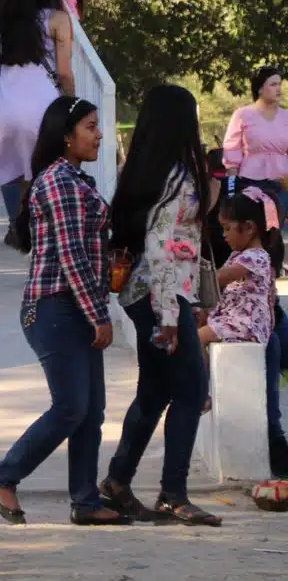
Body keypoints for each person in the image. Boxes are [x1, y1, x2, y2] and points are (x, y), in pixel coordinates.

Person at [0, 97, 125, 525]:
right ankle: (5, 476)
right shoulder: (59, 181)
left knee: (91, 409)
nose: (99, 133)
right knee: (70, 406)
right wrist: (98, 314)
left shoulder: (75, 179)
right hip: (55, 308)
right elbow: (71, 257)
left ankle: (84, 502)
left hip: (74, 306)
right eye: (90, 125)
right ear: (66, 136)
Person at [99, 85, 219, 525]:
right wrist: (171, 318)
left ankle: (117, 482)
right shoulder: (179, 177)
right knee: (190, 389)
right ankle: (173, 493)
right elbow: (164, 247)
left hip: (141, 294)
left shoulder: (144, 172)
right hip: (160, 298)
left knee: (154, 391)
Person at [0, 0, 75, 223]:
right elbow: (63, 72)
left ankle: (18, 223)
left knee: (11, 166)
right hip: (44, 105)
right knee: (46, 169)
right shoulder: (58, 19)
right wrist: (72, 103)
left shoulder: (4, 21)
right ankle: (45, 224)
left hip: (6, 105)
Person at [199, 184, 283, 347]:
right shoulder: (240, 255)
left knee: (195, 338)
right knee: (200, 333)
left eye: (227, 228)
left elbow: (222, 278)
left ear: (249, 228)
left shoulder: (256, 256)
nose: (224, 235)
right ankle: (208, 371)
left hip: (244, 325)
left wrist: (194, 276)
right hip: (235, 321)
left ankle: (204, 373)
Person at [223, 66, 288, 189]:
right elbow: (231, 152)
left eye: (280, 84)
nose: (279, 89)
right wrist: (231, 190)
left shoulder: (286, 116)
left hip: (283, 182)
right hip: (250, 181)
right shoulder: (242, 114)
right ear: (260, 88)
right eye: (273, 84)